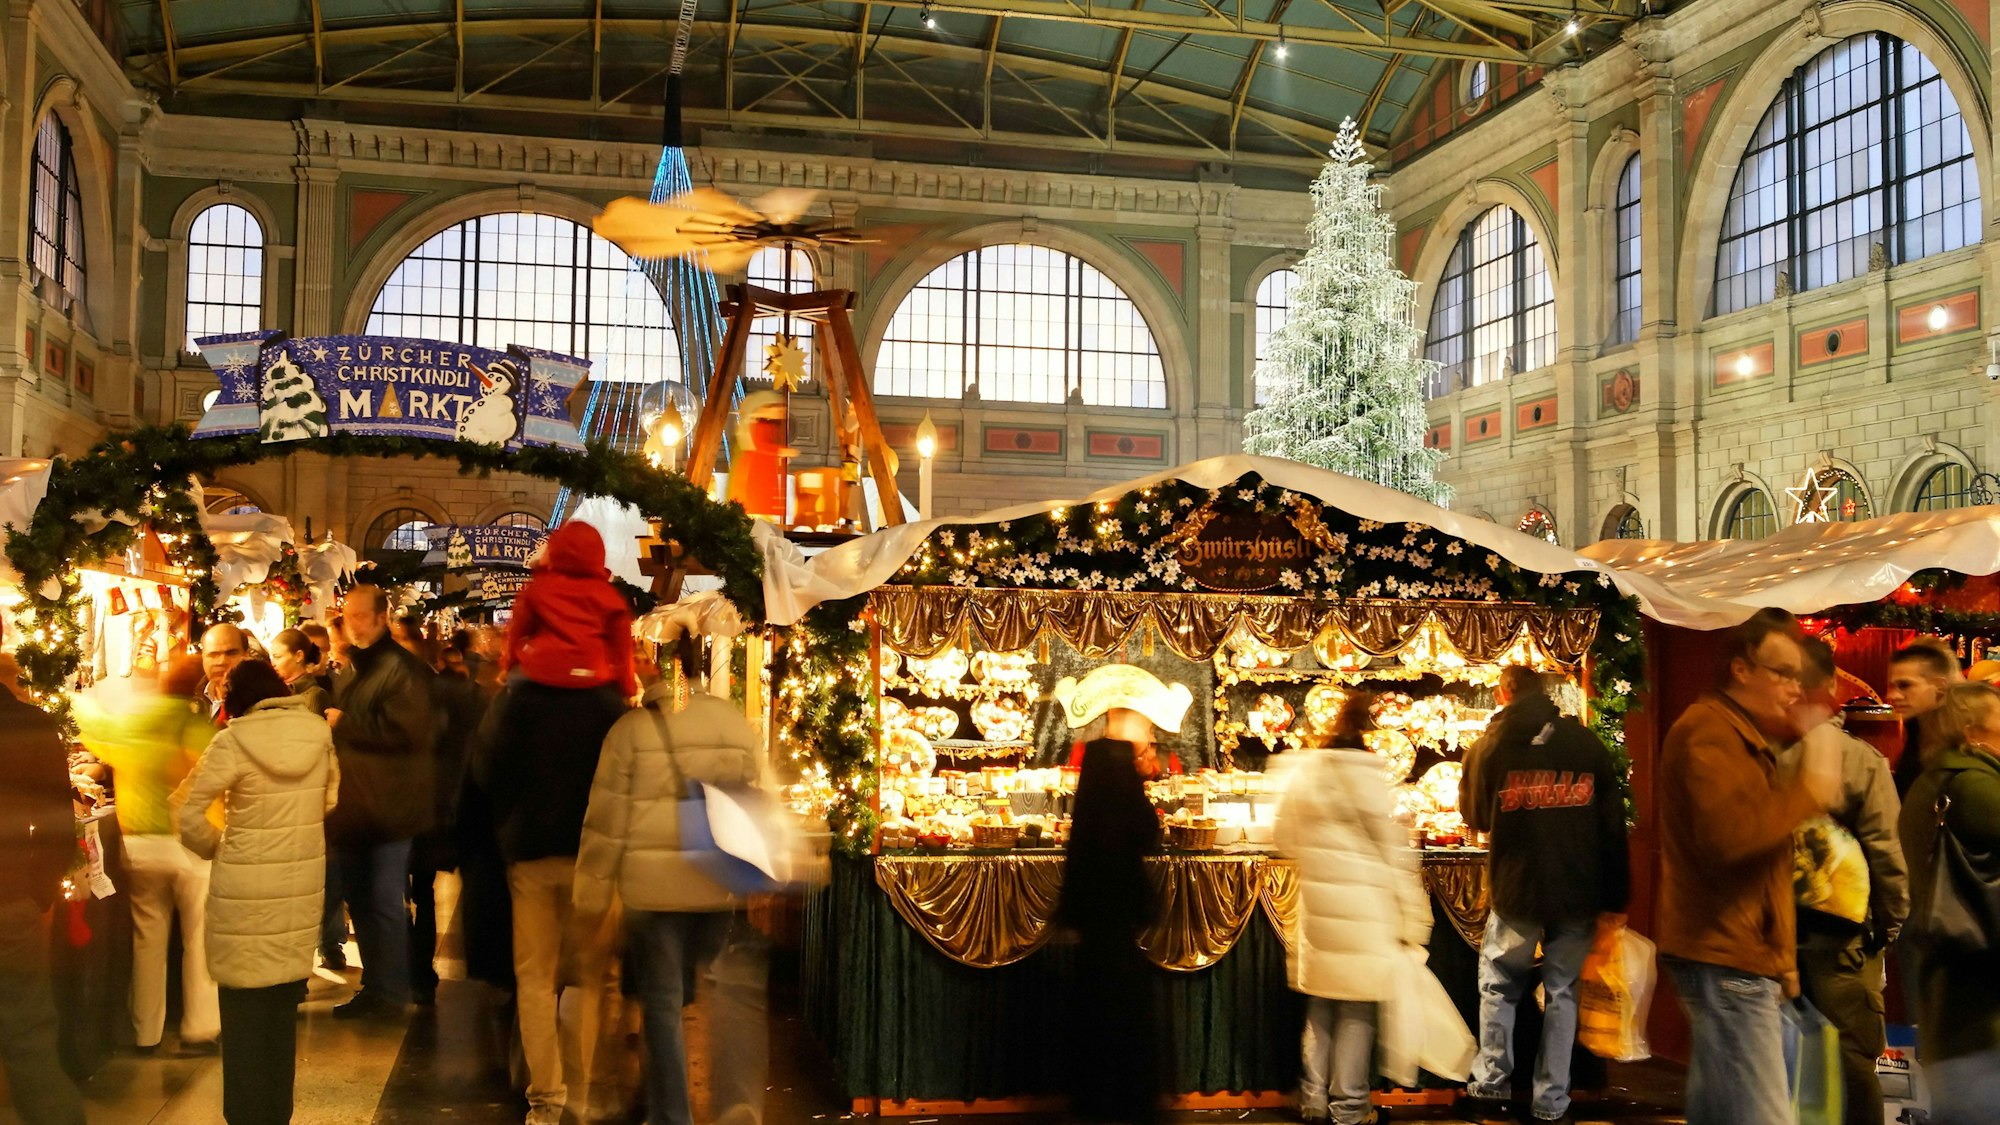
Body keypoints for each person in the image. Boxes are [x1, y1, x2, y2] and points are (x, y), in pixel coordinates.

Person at [475, 527, 637, 1125]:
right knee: (590, 980)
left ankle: (547, 1100)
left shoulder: (516, 694)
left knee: (535, 981)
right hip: (595, 857)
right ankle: (586, 1089)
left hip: (531, 853)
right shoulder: (610, 701)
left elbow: (486, 767)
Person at [1657, 608, 1843, 1125]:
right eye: (1782, 672)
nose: (1793, 687)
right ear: (1742, 669)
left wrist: (1781, 959)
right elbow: (1732, 839)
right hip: (1726, 960)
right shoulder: (1709, 734)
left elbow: (1759, 862)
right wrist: (1810, 784)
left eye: (1798, 675)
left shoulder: (1739, 737)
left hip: (1737, 955)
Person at [574, 637, 767, 1125]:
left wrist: (592, 894)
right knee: (726, 993)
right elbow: (753, 788)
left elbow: (604, 820)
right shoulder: (730, 722)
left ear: (655, 680)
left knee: (661, 1005)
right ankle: (737, 1105)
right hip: (717, 881)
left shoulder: (628, 731)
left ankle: (671, 1115)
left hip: (653, 892)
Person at [1457, 666, 1629, 1125]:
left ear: (1503, 693)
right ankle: (1551, 1102)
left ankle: (1490, 1087)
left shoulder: (1490, 745)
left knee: (1498, 984)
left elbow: (1475, 814)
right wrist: (1616, 899)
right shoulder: (1586, 745)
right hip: (1577, 887)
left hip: (1518, 887)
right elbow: (1612, 828)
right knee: (1563, 992)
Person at [176, 660, 338, 1124]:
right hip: (300, 890)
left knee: (244, 1017)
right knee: (281, 1017)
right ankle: (276, 1114)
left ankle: (245, 1116)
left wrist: (218, 848)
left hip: (243, 891)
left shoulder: (232, 740)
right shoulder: (318, 734)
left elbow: (188, 813)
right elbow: (329, 800)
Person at [1275, 693, 1430, 1125]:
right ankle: (1350, 1106)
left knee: (1321, 1005)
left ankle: (1312, 1098)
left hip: (1319, 910)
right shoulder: (1371, 777)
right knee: (1357, 1010)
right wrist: (1414, 917)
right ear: (1367, 731)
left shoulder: (1305, 771)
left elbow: (1284, 837)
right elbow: (1395, 854)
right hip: (1366, 911)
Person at [1051, 664, 1188, 1124]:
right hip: (1117, 906)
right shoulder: (1118, 768)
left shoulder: (1094, 762)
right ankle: (1125, 1094)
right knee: (1122, 1009)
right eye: (1147, 727)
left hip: (1092, 906)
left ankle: (1093, 1094)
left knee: (1093, 1003)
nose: (1150, 736)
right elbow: (1144, 833)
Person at [1782, 637, 1908, 1125]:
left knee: (1787, 1057)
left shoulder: (1760, 751)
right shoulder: (1859, 759)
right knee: (1853, 1057)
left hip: (1773, 932)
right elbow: (1886, 850)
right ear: (1833, 684)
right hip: (1844, 936)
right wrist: (1891, 924)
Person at [74, 654, 220, 1053]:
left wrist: (82, 698)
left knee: (147, 939)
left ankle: (145, 1032)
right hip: (190, 846)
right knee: (199, 939)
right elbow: (215, 776)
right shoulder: (194, 727)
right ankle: (200, 1029)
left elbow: (96, 729)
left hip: (140, 843)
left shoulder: (133, 721)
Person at [326, 584, 438, 1019]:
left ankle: (391, 993)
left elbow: (408, 734)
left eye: (359, 615)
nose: (351, 623)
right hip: (358, 807)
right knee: (364, 901)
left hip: (390, 809)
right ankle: (376, 987)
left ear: (379, 617)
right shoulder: (363, 668)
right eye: (347, 615)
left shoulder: (399, 669)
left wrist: (346, 724)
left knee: (386, 902)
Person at [1898, 681, 2000, 1122]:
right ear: (1974, 729)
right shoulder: (1977, 787)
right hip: (1981, 1001)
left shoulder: (1931, 782)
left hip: (1947, 985)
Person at [0, 649, 89, 1124]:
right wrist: (35, 889)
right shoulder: (30, 724)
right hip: (10, 900)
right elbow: (58, 821)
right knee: (30, 1040)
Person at [407, 631, 489, 1006]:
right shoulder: (472, 697)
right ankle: (430, 974)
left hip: (425, 804)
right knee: (424, 894)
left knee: (416, 894)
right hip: (453, 805)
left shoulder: (429, 695)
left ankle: (418, 975)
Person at [503, 522, 639, 698]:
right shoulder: (611, 597)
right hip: (593, 680)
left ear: (555, 550)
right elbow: (622, 652)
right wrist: (627, 689)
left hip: (540, 675)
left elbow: (516, 633)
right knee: (619, 723)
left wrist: (508, 666)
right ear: (599, 554)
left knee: (502, 715)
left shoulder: (537, 589)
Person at [1888, 638, 1962, 796]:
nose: (1892, 695)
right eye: (1893, 686)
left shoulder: (1963, 737)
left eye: (1905, 685)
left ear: (1940, 685)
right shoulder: (1918, 728)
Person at [270, 628, 334, 716]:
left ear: (298, 656)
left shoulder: (314, 695)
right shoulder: (276, 689)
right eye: (272, 658)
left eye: (278, 657)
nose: (273, 663)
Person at [202, 622, 252, 721]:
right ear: (203, 657)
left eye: (231, 653)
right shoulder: (189, 697)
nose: (221, 662)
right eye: (213, 654)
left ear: (247, 656)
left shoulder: (261, 702)